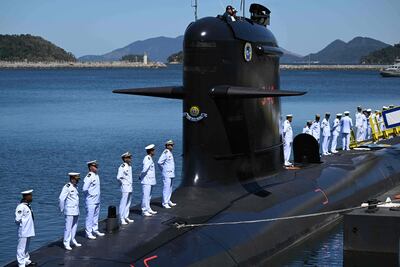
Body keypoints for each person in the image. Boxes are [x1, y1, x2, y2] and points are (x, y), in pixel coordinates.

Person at [59, 172, 82, 250]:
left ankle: (72, 239)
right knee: (68, 227)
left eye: (78, 180)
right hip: (69, 210)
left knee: (74, 225)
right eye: (76, 179)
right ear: (72, 179)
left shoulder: (75, 186)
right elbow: (61, 198)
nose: (77, 181)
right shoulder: (67, 187)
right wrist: (62, 209)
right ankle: (66, 242)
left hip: (76, 209)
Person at [83, 160, 105, 239]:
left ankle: (95, 229)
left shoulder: (96, 175)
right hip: (91, 201)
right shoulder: (89, 176)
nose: (97, 167)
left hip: (97, 200)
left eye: (97, 166)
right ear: (90, 167)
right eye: (95, 166)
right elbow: (84, 189)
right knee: (90, 217)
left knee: (96, 216)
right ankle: (88, 233)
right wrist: (89, 197)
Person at [15, 189, 36, 267]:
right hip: (23, 230)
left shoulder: (28, 206)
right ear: (26, 197)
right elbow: (17, 219)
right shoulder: (21, 207)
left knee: (26, 246)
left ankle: (26, 260)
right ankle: (21, 264)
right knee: (21, 247)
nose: (32, 197)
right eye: (30, 195)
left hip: (29, 229)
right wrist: (22, 226)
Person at [158, 140, 177, 209]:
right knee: (166, 188)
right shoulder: (165, 152)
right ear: (167, 145)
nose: (172, 146)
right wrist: (164, 170)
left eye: (172, 145)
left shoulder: (169, 153)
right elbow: (159, 162)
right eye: (171, 145)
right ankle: (165, 203)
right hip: (167, 173)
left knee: (170, 187)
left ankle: (168, 200)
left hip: (171, 173)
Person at [117, 152, 134, 225]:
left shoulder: (129, 166)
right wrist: (123, 183)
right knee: (123, 202)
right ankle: (121, 218)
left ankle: (126, 216)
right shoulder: (122, 166)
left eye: (130, 157)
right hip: (125, 187)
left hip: (130, 186)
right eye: (129, 157)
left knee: (128, 202)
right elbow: (118, 177)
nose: (130, 158)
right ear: (125, 159)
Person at [140, 144, 157, 216]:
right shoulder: (147, 158)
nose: (154, 151)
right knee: (145, 196)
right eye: (153, 150)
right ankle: (144, 210)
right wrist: (140, 175)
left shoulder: (150, 158)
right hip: (146, 180)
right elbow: (145, 169)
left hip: (150, 180)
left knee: (149, 195)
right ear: (151, 151)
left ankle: (148, 208)